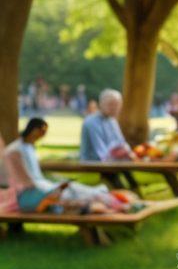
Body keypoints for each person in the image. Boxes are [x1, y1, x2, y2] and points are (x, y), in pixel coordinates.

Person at [5, 118, 135, 213]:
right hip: (30, 196)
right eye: (42, 131)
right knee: (71, 190)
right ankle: (109, 199)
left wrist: (53, 184)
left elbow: (35, 177)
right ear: (34, 130)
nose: (44, 135)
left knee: (71, 189)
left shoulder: (28, 147)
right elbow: (26, 181)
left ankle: (108, 198)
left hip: (40, 189)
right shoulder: (15, 150)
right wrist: (52, 188)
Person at [79, 90, 133, 161]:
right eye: (111, 104)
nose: (115, 108)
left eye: (117, 105)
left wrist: (127, 151)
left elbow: (121, 143)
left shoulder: (112, 120)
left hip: (111, 162)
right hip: (93, 162)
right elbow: (101, 153)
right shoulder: (91, 122)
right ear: (101, 104)